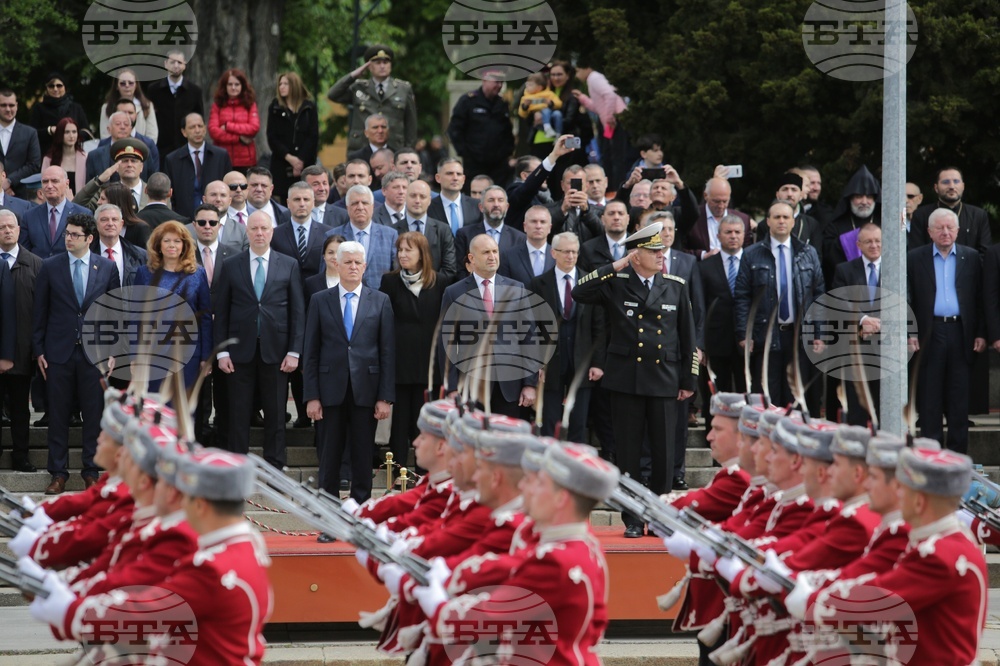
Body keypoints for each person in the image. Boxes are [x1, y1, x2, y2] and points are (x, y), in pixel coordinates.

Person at [30, 448, 273, 666]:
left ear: (200, 505)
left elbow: (144, 613)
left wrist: (72, 612)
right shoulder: (243, 547)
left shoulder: (212, 568)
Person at [414, 443, 619, 666]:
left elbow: (487, 617)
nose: (523, 487)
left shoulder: (555, 561)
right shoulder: (578, 544)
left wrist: (437, 605)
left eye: (537, 483)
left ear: (561, 499)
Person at [787, 447, 986, 666]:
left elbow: (879, 595)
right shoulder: (946, 542)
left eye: (903, 489)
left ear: (919, 501)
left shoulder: (938, 555)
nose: (898, 495)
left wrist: (815, 602)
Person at [572, 222, 697, 537]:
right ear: (635, 255)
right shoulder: (617, 282)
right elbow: (579, 291)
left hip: (664, 380)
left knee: (663, 456)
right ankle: (632, 519)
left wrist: (689, 382)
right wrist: (615, 265)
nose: (660, 256)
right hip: (626, 380)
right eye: (653, 251)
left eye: (661, 251)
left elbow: (688, 337)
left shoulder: (675, 285)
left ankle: (658, 518)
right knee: (627, 455)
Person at [33, 213, 121, 494]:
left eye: (74, 235)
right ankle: (58, 473)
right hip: (58, 352)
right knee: (57, 414)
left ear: (89, 238)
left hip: (94, 355)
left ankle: (90, 470)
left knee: (94, 415)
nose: (68, 238)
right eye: (67, 234)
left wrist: (113, 351)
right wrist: (39, 350)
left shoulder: (106, 268)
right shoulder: (50, 266)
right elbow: (40, 312)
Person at [304, 240, 394, 503]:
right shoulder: (320, 300)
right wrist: (312, 396)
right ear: (336, 264)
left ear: (365, 266)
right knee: (329, 457)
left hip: (366, 391)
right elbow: (311, 351)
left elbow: (388, 352)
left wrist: (385, 397)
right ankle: (330, 515)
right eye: (348, 262)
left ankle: (361, 513)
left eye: (357, 263)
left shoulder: (380, 300)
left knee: (363, 456)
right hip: (329, 390)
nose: (353, 267)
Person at [214, 211, 304, 468]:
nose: (259, 233)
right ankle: (237, 466)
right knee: (238, 413)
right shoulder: (232, 264)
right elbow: (221, 311)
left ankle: (274, 466)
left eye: (264, 228)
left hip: (277, 352)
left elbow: (297, 312)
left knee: (276, 414)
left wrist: (294, 351)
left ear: (272, 232)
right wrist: (221, 352)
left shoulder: (288, 264)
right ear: (247, 232)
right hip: (239, 352)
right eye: (254, 228)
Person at [734, 200, 825, 411]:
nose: (781, 221)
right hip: (766, 336)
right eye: (777, 217)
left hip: (799, 337)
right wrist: (743, 333)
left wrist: (819, 332)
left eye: (786, 217)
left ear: (794, 222)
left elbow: (819, 294)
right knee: (768, 399)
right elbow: (742, 297)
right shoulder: (752, 254)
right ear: (768, 222)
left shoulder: (808, 253)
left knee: (796, 399)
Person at [908, 208, 984, 454]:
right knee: (929, 398)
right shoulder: (914, 258)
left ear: (958, 231)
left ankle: (957, 457)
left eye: (950, 227)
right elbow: (907, 298)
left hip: (961, 332)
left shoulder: (971, 257)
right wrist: (910, 332)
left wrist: (981, 332)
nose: (945, 232)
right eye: (939, 228)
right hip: (929, 332)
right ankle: (931, 456)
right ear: (929, 232)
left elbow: (980, 298)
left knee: (959, 398)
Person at [440, 233, 539, 416]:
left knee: (506, 442)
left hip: (510, 387)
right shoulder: (454, 293)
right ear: (472, 258)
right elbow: (447, 344)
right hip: (470, 387)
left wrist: (529, 384)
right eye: (486, 252)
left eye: (495, 251)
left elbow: (529, 339)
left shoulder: (517, 289)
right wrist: (451, 387)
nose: (492, 257)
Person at [379, 231, 446, 475]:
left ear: (422, 254)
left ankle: (422, 472)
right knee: (398, 425)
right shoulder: (390, 281)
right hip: (399, 363)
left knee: (423, 422)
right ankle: (396, 473)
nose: (403, 254)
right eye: (400, 250)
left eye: (408, 250)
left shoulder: (440, 282)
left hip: (429, 367)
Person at [529, 231, 606, 441]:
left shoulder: (590, 283)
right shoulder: (538, 284)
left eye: (574, 252)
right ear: (553, 253)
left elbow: (599, 326)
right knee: (549, 422)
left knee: (578, 423)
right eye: (565, 252)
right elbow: (532, 326)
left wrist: (598, 362)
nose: (570, 256)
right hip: (550, 363)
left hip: (582, 362)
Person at [270, 181, 331, 426]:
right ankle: (300, 416)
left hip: (320, 304)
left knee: (315, 357)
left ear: (313, 202)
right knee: (292, 359)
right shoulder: (276, 234)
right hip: (285, 307)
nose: (302, 204)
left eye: (306, 199)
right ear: (288, 203)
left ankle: (316, 410)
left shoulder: (327, 232)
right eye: (296, 199)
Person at [135, 219, 213, 389]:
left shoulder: (197, 273)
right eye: (167, 240)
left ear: (184, 245)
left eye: (177, 241)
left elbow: (205, 316)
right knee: (155, 408)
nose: (172, 245)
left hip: (188, 353)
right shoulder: (144, 273)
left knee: (183, 408)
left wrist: (206, 356)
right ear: (158, 245)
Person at [189, 203, 238, 448]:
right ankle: (198, 441)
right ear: (194, 224)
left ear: (220, 225)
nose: (207, 227)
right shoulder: (186, 255)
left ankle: (222, 444)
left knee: (226, 394)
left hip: (227, 332)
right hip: (194, 335)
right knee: (197, 393)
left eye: (212, 222)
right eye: (202, 222)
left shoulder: (234, 253)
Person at [830, 223, 883, 426]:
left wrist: (877, 324)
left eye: (878, 241)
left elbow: (904, 300)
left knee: (884, 407)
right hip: (854, 347)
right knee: (856, 409)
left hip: (885, 346)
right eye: (868, 241)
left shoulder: (896, 269)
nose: (874, 245)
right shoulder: (844, 270)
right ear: (858, 244)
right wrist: (863, 320)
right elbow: (838, 300)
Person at [0, 210, 41, 471]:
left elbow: (42, 310)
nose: (7, 230)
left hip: (23, 350)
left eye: (11, 226)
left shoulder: (36, 264)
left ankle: (20, 455)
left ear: (19, 229)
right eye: (1, 227)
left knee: (19, 408)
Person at [698, 215, 747, 418]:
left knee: (748, 393)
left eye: (737, 232)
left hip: (748, 342)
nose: (733, 236)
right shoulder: (705, 267)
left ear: (745, 235)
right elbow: (700, 306)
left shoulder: (753, 262)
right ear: (718, 235)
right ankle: (714, 438)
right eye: (728, 232)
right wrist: (702, 344)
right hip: (716, 342)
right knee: (716, 393)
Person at [327, 45, 417, 153]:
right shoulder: (359, 87)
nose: (382, 66)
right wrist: (353, 75)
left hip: (393, 148)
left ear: (391, 65)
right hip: (362, 147)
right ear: (368, 66)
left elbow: (411, 124)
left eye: (386, 62)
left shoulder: (403, 89)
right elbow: (333, 94)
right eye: (378, 63)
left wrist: (408, 151)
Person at [447, 73, 515, 188]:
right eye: (496, 82)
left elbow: (507, 132)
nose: (499, 86)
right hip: (475, 163)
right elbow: (454, 129)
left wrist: (507, 153)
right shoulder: (468, 101)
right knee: (475, 195)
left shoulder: (502, 103)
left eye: (501, 83)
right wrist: (465, 153)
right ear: (485, 80)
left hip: (498, 165)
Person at [328, 184, 398, 289]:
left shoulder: (390, 235)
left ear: (373, 206)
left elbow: (396, 274)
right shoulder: (332, 236)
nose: (360, 207)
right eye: (355, 203)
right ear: (347, 207)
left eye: (365, 203)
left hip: (381, 300)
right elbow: (327, 275)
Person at [163, 113, 233, 217]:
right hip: (183, 218)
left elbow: (228, 188)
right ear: (184, 132)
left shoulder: (221, 156)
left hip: (216, 218)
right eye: (192, 127)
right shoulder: (172, 159)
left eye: (200, 126)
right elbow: (169, 194)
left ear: (205, 128)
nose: (197, 130)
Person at [910, 166, 992, 255]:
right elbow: (916, 254)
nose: (952, 186)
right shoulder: (921, 215)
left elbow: (985, 253)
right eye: (945, 182)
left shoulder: (978, 215)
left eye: (956, 181)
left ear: (963, 186)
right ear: (936, 187)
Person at [822, 164, 880, 285]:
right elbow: (828, 257)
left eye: (869, 197)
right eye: (859, 196)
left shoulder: (884, 222)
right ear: (850, 199)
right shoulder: (835, 226)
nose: (864, 202)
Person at [454, 185, 526, 279]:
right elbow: (460, 271)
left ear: (507, 207)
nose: (496, 204)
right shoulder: (465, 234)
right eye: (491, 200)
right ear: (481, 207)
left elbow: (519, 272)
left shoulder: (519, 238)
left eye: (500, 200)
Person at [267, 72, 319, 202]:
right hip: (282, 162)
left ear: (294, 86)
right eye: (280, 84)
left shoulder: (309, 107)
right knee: (285, 199)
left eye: (286, 84)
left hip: (305, 161)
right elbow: (272, 136)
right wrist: (290, 158)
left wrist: (300, 160)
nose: (281, 87)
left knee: (305, 196)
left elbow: (313, 136)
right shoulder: (275, 107)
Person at [19, 165, 91, 258]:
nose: (49, 186)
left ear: (67, 184)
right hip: (38, 271)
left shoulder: (82, 213)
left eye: (55, 181)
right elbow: (24, 252)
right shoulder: (29, 216)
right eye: (45, 182)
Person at [394, 179, 457, 283]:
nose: (417, 200)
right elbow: (393, 267)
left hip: (436, 292)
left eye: (422, 196)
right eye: (413, 196)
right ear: (405, 198)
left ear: (429, 200)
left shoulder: (443, 230)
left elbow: (449, 269)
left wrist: (429, 287)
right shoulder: (393, 230)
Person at [145, 50, 205, 157]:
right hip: (161, 147)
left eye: (179, 62)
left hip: (186, 147)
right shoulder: (153, 90)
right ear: (165, 64)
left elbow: (199, 118)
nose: (176, 66)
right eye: (172, 62)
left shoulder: (195, 91)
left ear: (185, 65)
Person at [74, 137, 151, 214]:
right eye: (125, 161)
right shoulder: (106, 192)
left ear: (141, 167)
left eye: (133, 161)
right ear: (116, 166)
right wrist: (99, 180)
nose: (129, 165)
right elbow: (76, 205)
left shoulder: (152, 191)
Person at [685, 176, 753, 259]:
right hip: (701, 268)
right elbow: (680, 250)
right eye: (716, 201)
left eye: (725, 201)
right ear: (706, 196)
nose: (721, 206)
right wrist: (703, 255)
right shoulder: (692, 217)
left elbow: (749, 252)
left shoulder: (743, 219)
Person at [84, 109, 158, 183]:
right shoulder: (95, 155)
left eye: (126, 124)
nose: (122, 127)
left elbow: (151, 180)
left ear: (131, 129)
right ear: (109, 129)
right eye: (118, 124)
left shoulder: (143, 152)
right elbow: (90, 186)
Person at [208, 69, 260, 174]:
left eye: (237, 84)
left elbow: (254, 128)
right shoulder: (217, 105)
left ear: (242, 86)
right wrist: (239, 138)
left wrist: (228, 126)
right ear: (224, 86)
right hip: (222, 158)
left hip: (246, 160)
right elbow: (213, 131)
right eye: (230, 84)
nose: (233, 87)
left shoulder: (250, 104)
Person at [29, 72, 90, 157]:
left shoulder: (75, 108)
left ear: (65, 87)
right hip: (48, 156)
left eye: (59, 85)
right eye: (51, 86)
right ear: (46, 88)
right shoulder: (39, 108)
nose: (55, 89)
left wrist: (71, 133)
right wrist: (49, 130)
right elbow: (32, 134)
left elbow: (86, 131)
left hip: (73, 155)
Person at [91, 202, 147, 287]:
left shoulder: (140, 256)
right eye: (104, 219)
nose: (110, 224)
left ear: (121, 224)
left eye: (114, 219)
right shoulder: (87, 255)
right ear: (96, 224)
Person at [0, 89, 42, 198]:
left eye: (11, 105)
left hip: (22, 195)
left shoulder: (30, 133)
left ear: (17, 106)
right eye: (3, 105)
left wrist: (10, 181)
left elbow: (34, 164)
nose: (8, 109)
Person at [500, 204, 555, 285]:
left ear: (550, 228)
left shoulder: (558, 256)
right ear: (525, 226)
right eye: (534, 221)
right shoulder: (508, 256)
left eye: (543, 222)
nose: (538, 226)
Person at [98, 69, 158, 142]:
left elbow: (152, 135)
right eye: (123, 83)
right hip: (114, 150)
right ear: (116, 86)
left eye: (131, 83)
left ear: (136, 85)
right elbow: (105, 135)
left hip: (141, 149)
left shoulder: (146, 106)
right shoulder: (107, 107)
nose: (127, 86)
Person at [428, 157, 483, 234]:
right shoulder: (428, 207)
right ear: (438, 178)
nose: (455, 178)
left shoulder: (477, 206)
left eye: (459, 174)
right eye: (450, 173)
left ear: (463, 179)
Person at [98, 179, 152, 248]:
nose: (98, 202)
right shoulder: (97, 227)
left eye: (103, 199)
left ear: (115, 202)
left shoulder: (140, 229)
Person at [41, 117, 87, 195]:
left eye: (74, 132)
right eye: (67, 132)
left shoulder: (85, 157)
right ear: (60, 134)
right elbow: (43, 185)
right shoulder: (48, 159)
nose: (71, 135)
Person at [518, 72, 563, 139]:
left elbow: (559, 104)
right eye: (526, 84)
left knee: (556, 113)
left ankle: (558, 134)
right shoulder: (526, 98)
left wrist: (550, 103)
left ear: (539, 87)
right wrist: (525, 106)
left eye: (530, 85)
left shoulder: (548, 94)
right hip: (536, 125)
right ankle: (547, 128)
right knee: (545, 110)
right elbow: (522, 114)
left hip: (550, 117)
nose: (527, 87)